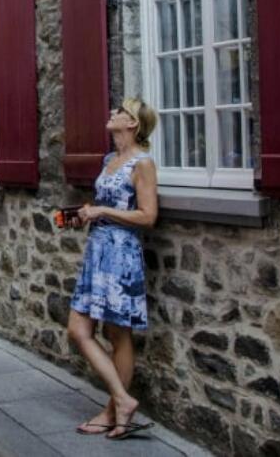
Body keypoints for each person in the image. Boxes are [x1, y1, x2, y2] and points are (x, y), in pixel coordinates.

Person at [66, 97, 160, 441]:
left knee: (117, 334)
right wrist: (86, 213)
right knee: (78, 329)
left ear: (132, 124)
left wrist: (102, 211)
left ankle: (112, 410)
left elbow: (148, 216)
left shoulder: (142, 163)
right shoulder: (110, 160)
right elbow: (109, 205)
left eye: (120, 112)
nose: (112, 114)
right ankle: (122, 400)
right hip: (98, 250)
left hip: (121, 253)